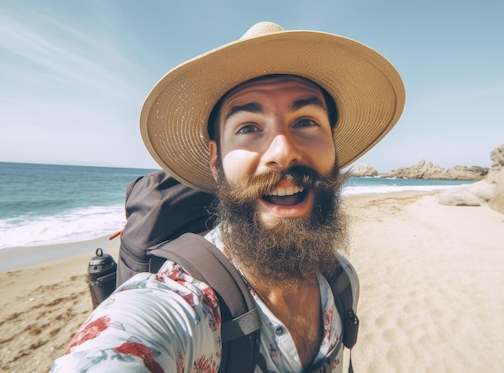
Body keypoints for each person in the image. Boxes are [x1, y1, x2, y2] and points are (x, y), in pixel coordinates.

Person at [52, 21, 404, 372]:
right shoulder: (181, 305)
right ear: (215, 159)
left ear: (333, 143)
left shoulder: (342, 279)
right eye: (249, 128)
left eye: (306, 122)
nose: (282, 151)